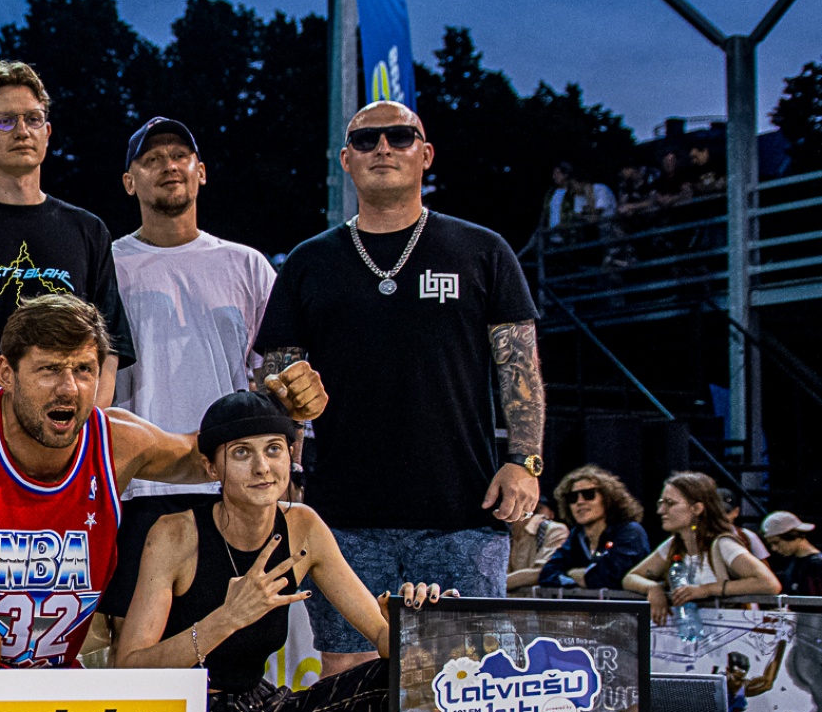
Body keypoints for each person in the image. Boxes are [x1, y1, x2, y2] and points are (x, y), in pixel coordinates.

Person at [0, 294, 328, 670]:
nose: (69, 388)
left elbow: (207, 458)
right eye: (49, 370)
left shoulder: (117, 441)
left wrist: (282, 411)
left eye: (84, 370)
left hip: (52, 669)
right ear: (6, 373)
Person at [117, 390, 445, 712]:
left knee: (398, 678)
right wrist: (227, 617)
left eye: (274, 449)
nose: (262, 466)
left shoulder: (303, 527)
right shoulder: (175, 533)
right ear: (211, 466)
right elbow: (128, 670)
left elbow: (387, 642)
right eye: (241, 453)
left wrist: (415, 620)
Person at [255, 99, 542, 682]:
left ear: (425, 154)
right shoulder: (310, 261)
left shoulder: (482, 250)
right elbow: (278, 384)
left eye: (399, 137)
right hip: (344, 515)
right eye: (366, 140)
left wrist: (525, 460)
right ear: (346, 160)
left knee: (468, 674)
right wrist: (288, 458)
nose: (383, 148)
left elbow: (521, 367)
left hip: (461, 509)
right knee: (347, 674)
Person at [99, 115, 277, 633]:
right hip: (136, 489)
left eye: (180, 156)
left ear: (201, 171)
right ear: (129, 182)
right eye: (152, 159)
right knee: (135, 649)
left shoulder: (247, 266)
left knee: (235, 642)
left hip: (230, 484)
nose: (169, 166)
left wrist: (287, 470)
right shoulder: (106, 265)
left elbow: (273, 384)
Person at [0, 60, 137, 405]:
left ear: (47, 132)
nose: (21, 130)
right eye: (5, 120)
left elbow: (109, 345)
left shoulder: (88, 230)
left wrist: (85, 420)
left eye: (33, 119)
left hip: (66, 423)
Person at [624, 473, 781, 623]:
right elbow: (631, 577)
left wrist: (706, 590)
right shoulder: (674, 544)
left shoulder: (723, 544)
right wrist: (653, 588)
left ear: (697, 509)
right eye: (661, 503)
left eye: (670, 503)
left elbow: (769, 583)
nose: (661, 511)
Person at [511, 465, 649, 591]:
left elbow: (607, 578)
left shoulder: (630, 532)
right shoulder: (576, 535)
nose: (580, 502)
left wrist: (572, 573)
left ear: (608, 498)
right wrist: (578, 578)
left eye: (588, 495)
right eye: (573, 498)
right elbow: (547, 574)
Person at [761, 510, 822, 595]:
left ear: (793, 535)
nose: (774, 548)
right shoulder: (794, 561)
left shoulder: (817, 564)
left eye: (776, 543)